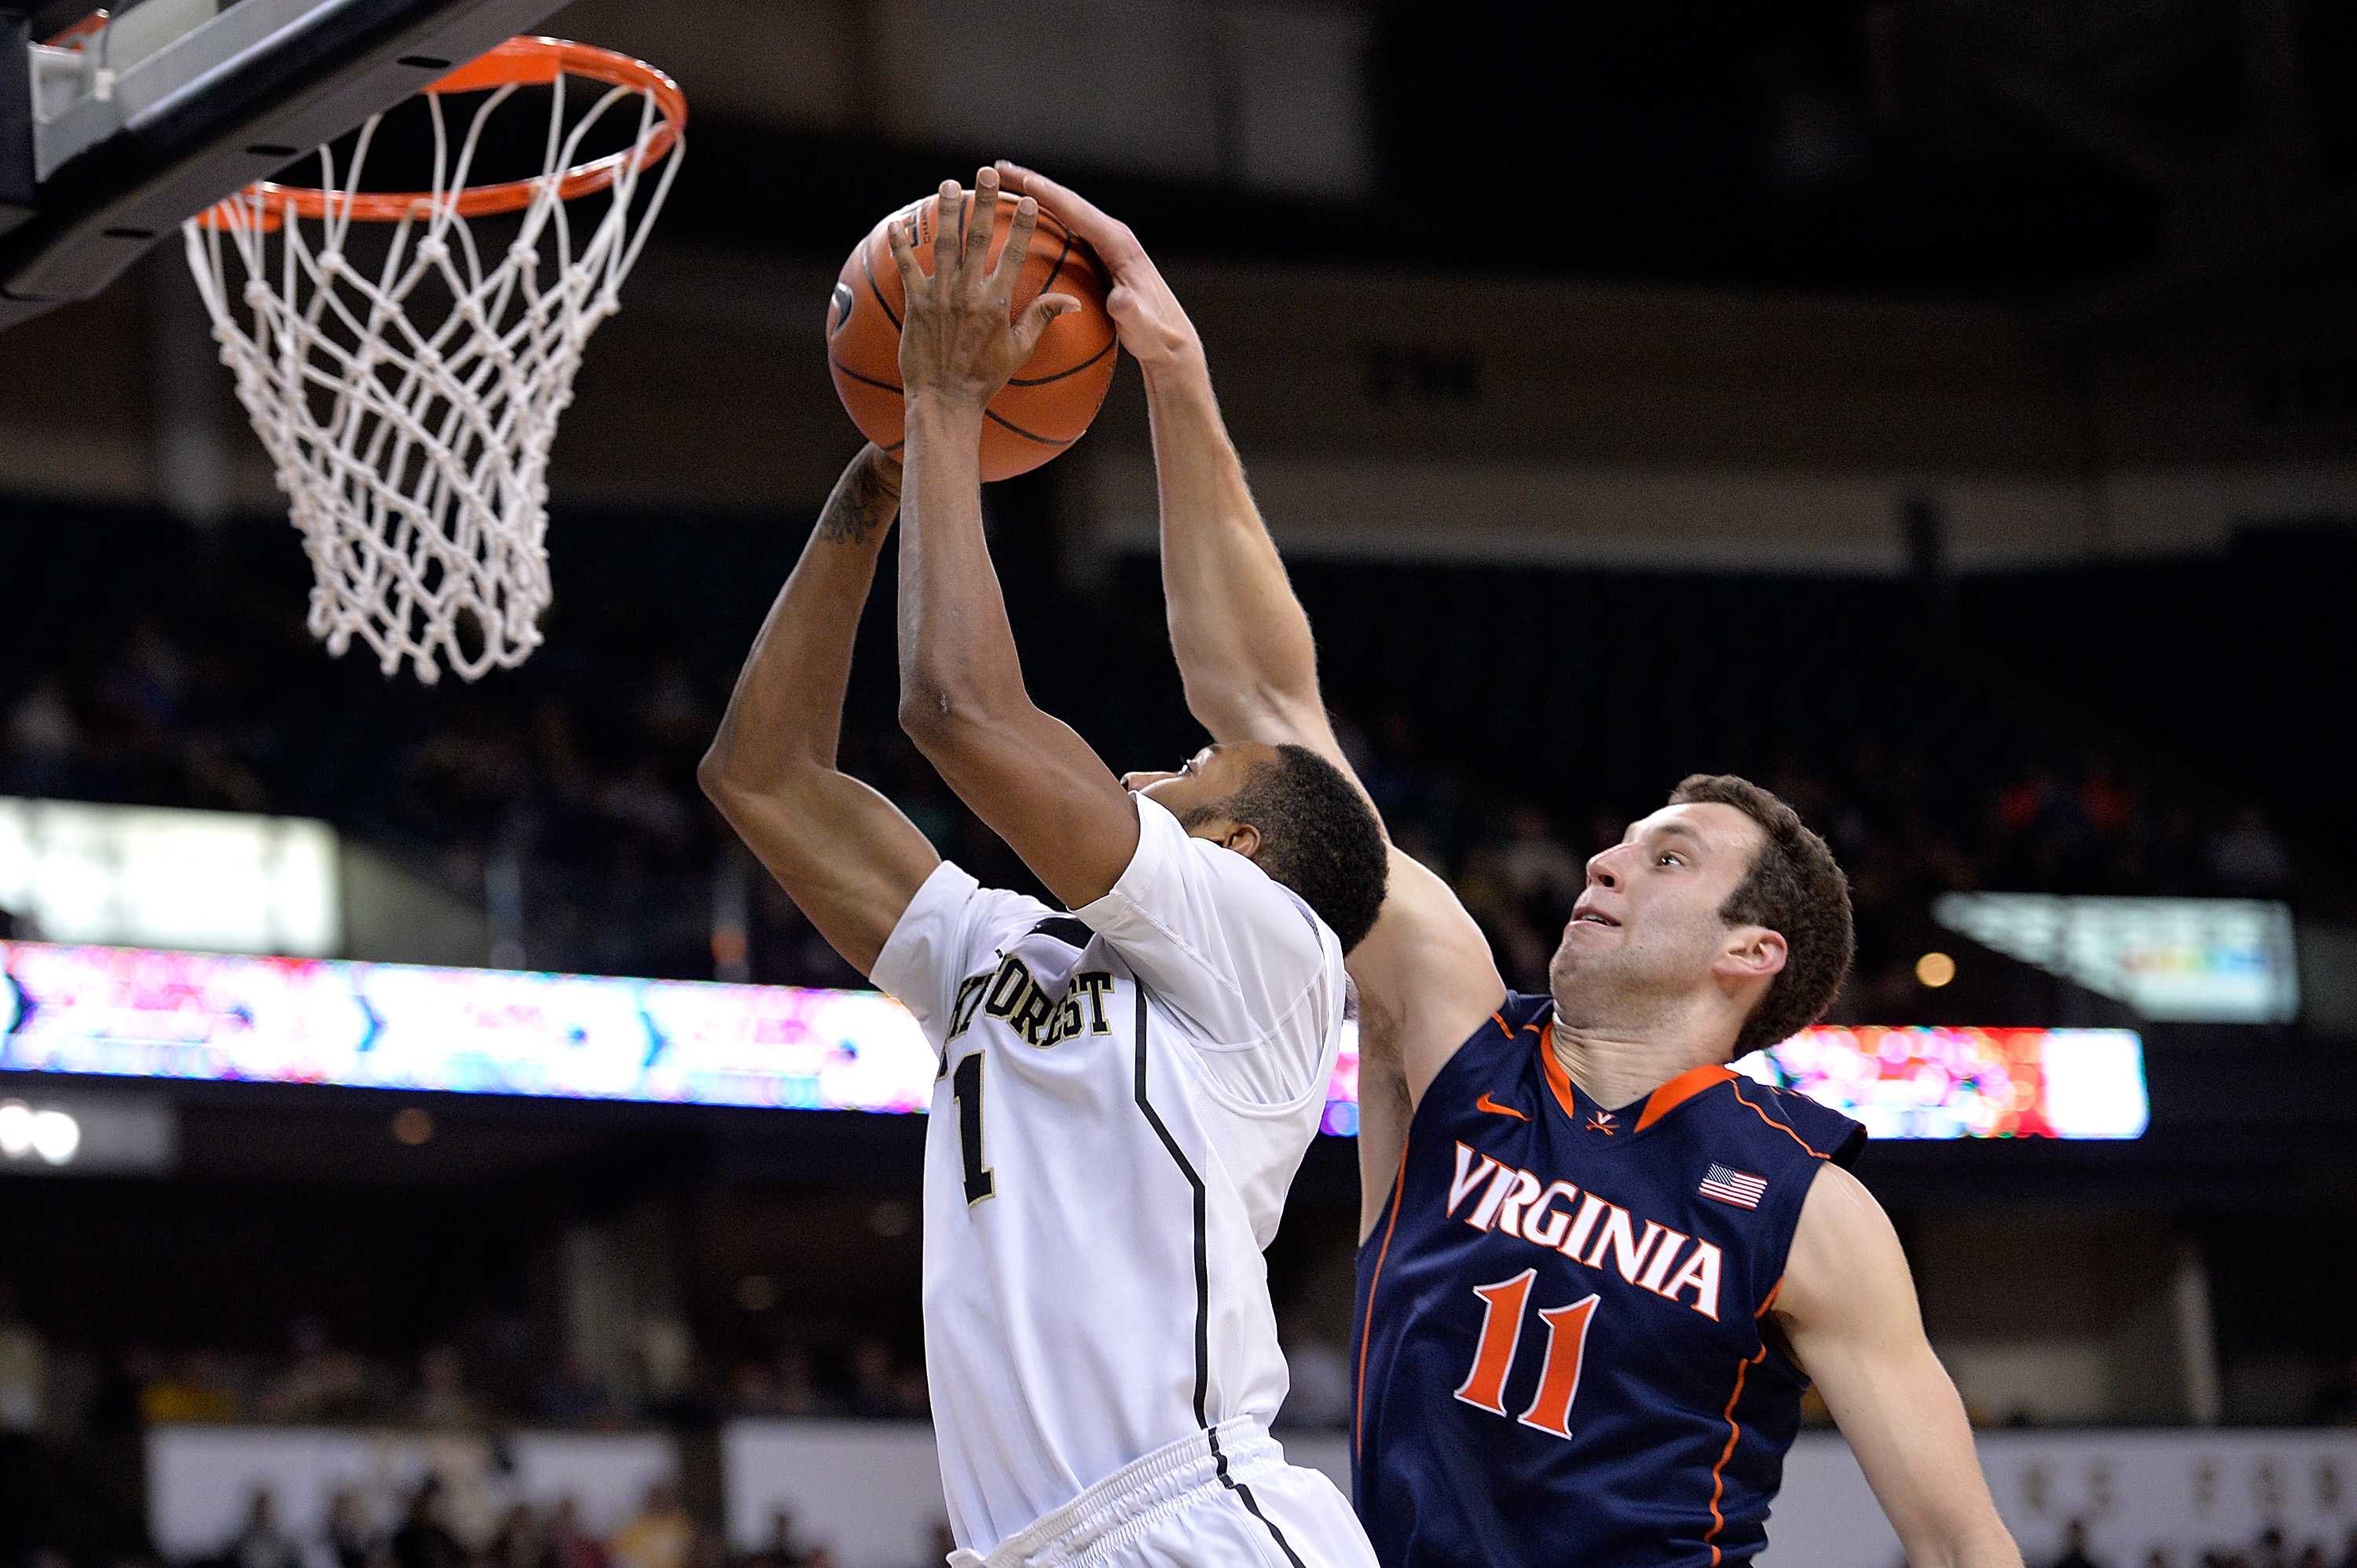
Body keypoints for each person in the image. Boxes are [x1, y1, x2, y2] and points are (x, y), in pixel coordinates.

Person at [994, 160, 2023, 1568]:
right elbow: (1271, 723)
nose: (1605, 860)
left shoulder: (1805, 1207)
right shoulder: (1456, 1029)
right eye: (1623, 838)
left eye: (1666, 859)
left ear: (1751, 953)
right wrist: (1175, 371)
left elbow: (1966, 1547)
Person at [700, 169, 1389, 1568]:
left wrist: (949, 404)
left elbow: (960, 711)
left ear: (1247, 851)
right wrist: (881, 476)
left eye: (1192, 774)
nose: (1146, 772)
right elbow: (762, 775)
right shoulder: (997, 960)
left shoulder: (1269, 958)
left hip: (1198, 1522)